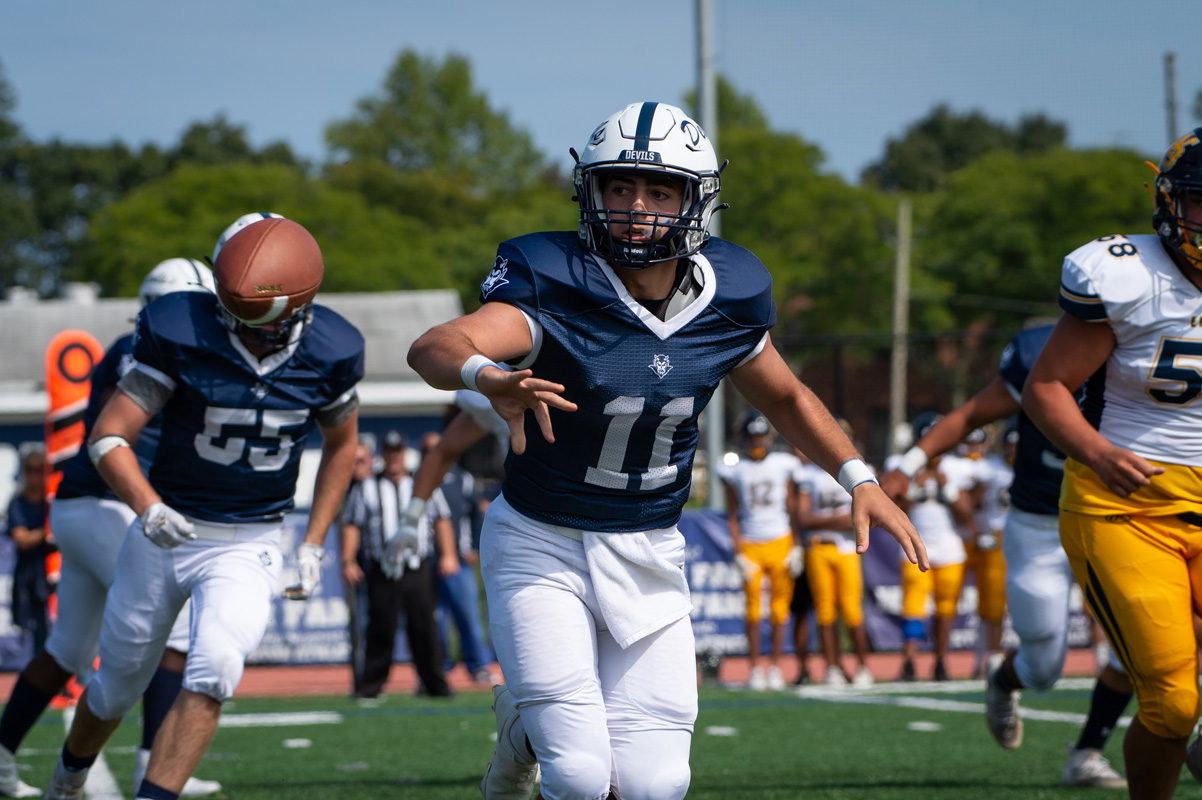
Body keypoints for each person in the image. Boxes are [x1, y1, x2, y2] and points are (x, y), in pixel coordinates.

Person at [404, 101, 926, 800]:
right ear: (590, 191)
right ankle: (527, 733)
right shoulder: (554, 275)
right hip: (541, 540)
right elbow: (436, 344)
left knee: (657, 784)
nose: (635, 206)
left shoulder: (732, 292)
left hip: (649, 546)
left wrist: (859, 479)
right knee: (580, 775)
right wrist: (486, 375)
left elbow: (785, 398)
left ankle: (524, 724)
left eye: (659, 190)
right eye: (619, 186)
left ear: (696, 201)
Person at [43, 212, 363, 800]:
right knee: (115, 687)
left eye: (260, 320)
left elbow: (343, 445)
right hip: (167, 533)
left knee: (215, 668)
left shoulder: (331, 350)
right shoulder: (182, 329)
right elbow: (110, 436)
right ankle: (66, 782)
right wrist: (148, 507)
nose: (246, 332)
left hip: (249, 538)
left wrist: (315, 540)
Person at [1022, 128, 1202, 800]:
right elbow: (1046, 387)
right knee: (1173, 703)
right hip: (1127, 507)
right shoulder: (1127, 276)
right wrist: (1098, 452)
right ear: (1169, 202)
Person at [0, 260, 223, 800]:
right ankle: (154, 763)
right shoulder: (150, 349)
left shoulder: (135, 345)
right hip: (110, 503)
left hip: (84, 506)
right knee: (174, 628)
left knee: (69, 649)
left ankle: (0, 754)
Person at [880, 326, 1132, 788]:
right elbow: (971, 414)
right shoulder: (1043, 351)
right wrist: (906, 467)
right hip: (1041, 524)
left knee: (1145, 643)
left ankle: (1088, 752)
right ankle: (1004, 680)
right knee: (1044, 667)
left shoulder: (1151, 344)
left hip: (1117, 520)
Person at [342, 430, 452, 700]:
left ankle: (434, 685)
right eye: (389, 452)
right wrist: (348, 560)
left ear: (404, 454)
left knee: (424, 628)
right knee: (381, 628)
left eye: (398, 452)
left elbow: (441, 518)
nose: (394, 457)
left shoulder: (422, 482)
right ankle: (370, 687)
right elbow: (353, 524)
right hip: (382, 569)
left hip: (417, 567)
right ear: (383, 454)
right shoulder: (366, 487)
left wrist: (449, 554)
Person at [716, 411, 802, 692]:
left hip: (780, 540)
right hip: (751, 544)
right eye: (752, 436)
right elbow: (732, 515)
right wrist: (738, 552)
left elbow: (792, 508)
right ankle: (755, 668)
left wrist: (797, 545)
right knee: (753, 612)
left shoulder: (784, 465)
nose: (756, 441)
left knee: (779, 611)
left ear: (769, 437)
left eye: (760, 436)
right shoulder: (734, 469)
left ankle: (775, 667)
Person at [885, 412, 970, 682]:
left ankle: (941, 662)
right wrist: (914, 487)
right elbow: (893, 507)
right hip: (914, 545)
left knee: (946, 609)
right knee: (913, 606)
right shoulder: (901, 465)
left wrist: (947, 487)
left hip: (949, 548)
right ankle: (909, 663)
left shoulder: (956, 467)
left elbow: (966, 514)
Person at [793, 422, 874, 687]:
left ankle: (863, 667)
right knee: (825, 611)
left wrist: (827, 521)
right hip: (819, 547)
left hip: (847, 548)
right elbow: (805, 518)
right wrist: (844, 519)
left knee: (852, 611)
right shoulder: (809, 474)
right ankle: (832, 667)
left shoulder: (861, 471)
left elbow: (866, 515)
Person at [419, 428, 498, 685]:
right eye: (426, 451)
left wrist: (474, 546)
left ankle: (479, 665)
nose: (432, 454)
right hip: (426, 562)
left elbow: (477, 513)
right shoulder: (417, 479)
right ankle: (439, 668)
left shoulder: (462, 479)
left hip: (459, 562)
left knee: (469, 615)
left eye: (436, 448)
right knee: (435, 620)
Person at [3, 444, 52, 660]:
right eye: (30, 469)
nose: (35, 474)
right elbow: (22, 539)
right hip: (31, 578)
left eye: (40, 469)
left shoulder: (54, 501)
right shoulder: (18, 502)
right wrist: (49, 530)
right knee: (37, 635)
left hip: (57, 576)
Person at [339, 434, 377, 695]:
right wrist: (348, 560)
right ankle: (362, 680)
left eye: (361, 460)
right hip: (358, 568)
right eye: (353, 461)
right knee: (359, 623)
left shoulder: (381, 485)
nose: (357, 466)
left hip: (384, 567)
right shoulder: (343, 489)